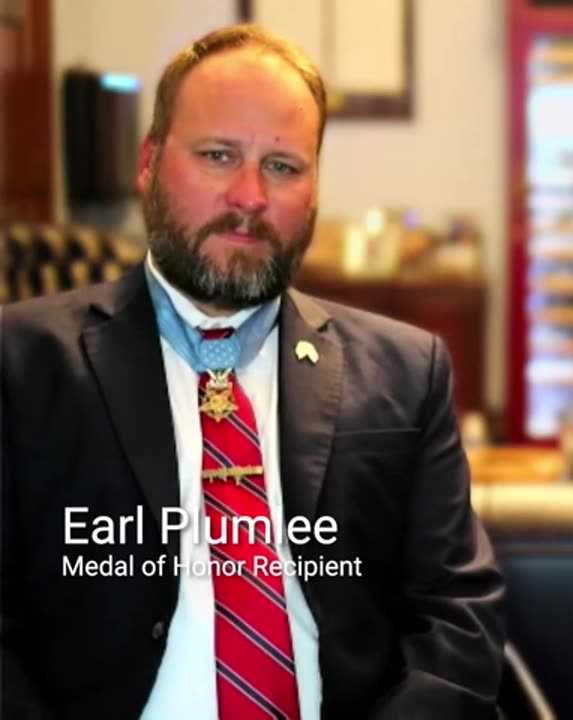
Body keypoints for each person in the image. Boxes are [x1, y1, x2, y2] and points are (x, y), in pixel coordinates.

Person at [0, 24, 505, 719]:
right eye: (217, 155)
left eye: (283, 166)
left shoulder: (406, 372)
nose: (249, 195)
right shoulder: (21, 365)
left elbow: (458, 618)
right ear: (147, 163)